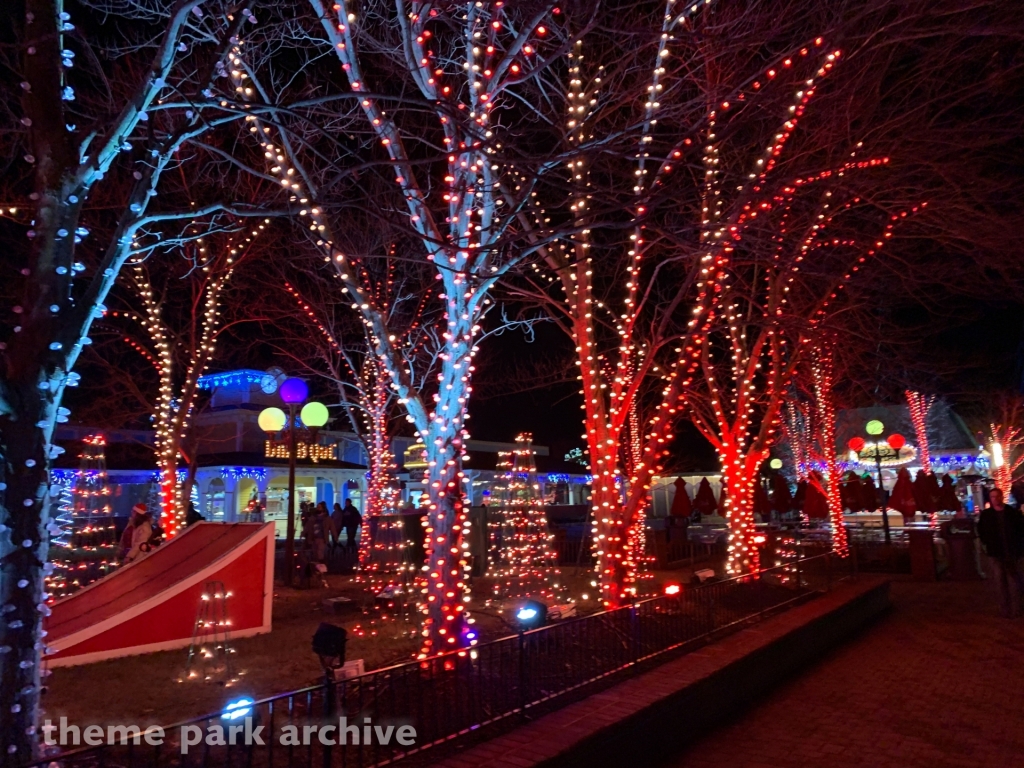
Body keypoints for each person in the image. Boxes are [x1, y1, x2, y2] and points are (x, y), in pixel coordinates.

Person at [978, 487, 1024, 618]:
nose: (995, 499)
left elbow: (1021, 530)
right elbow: (982, 532)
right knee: (1000, 581)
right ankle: (1005, 608)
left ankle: (1016, 608)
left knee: (1013, 581)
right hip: (996, 552)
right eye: (992, 497)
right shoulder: (987, 515)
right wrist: (987, 544)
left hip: (1012, 551)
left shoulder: (1012, 513)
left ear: (1001, 497)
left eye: (997, 496)